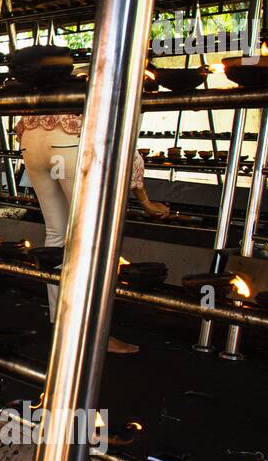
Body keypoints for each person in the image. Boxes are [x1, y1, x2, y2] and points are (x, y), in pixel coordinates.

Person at [16, 111, 170, 353]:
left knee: (57, 233)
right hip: (69, 138)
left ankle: (63, 325)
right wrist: (145, 201)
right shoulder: (119, 74)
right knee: (89, 237)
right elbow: (124, 141)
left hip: (32, 137)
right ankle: (92, 334)